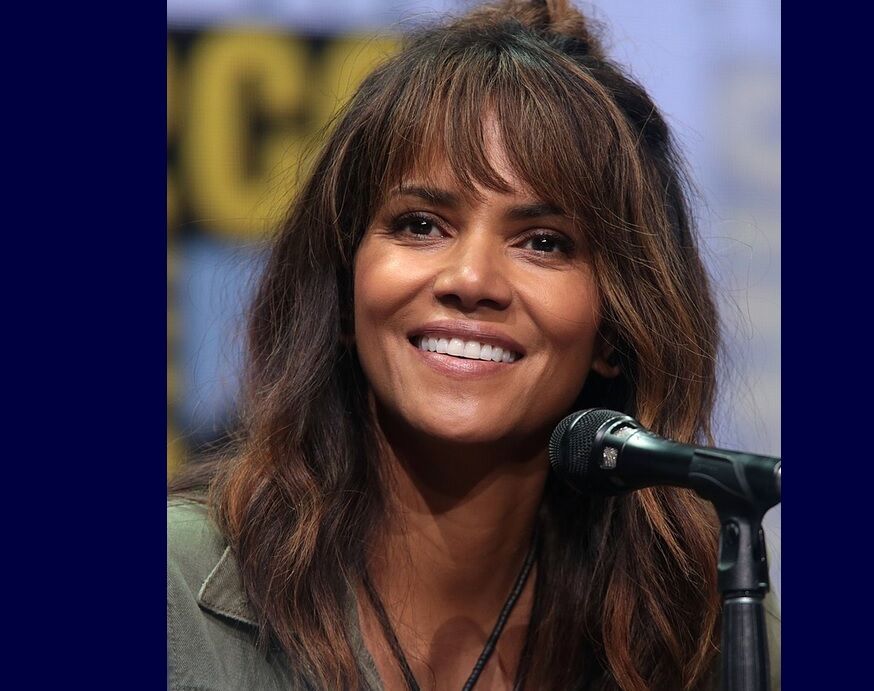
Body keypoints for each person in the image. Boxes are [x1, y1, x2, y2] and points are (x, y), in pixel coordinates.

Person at [167, 1, 781, 689]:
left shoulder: (704, 632)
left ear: (615, 327)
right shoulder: (171, 591)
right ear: (344, 289)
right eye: (420, 224)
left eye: (543, 242)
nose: (470, 280)